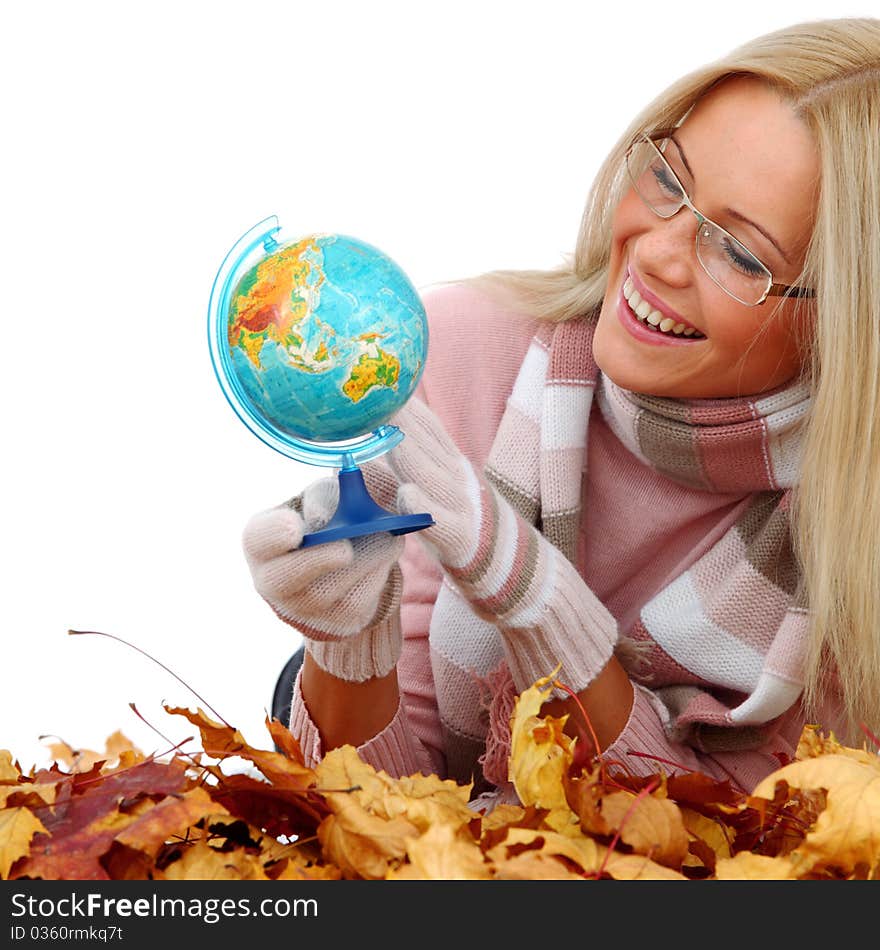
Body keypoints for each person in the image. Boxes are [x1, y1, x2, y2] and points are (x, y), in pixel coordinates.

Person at [244, 17, 880, 805]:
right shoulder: (469, 356)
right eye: (670, 181)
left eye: (741, 252)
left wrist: (534, 597)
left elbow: (726, 850)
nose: (656, 252)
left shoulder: (856, 543)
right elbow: (383, 818)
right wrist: (346, 644)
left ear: (850, 322)